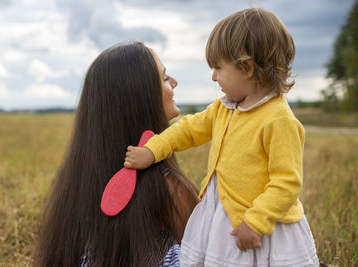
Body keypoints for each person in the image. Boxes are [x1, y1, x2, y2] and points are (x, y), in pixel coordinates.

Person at [124, 8, 319, 266]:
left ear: (247, 68)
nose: (214, 76)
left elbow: (286, 183)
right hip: (224, 218)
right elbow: (188, 130)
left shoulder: (278, 120)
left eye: (218, 68)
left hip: (261, 227)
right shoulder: (224, 107)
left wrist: (256, 221)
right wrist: (153, 150)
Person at [34, 42, 199, 267]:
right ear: (141, 97)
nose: (174, 82)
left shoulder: (79, 183)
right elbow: (209, 255)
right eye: (163, 78)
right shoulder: (169, 188)